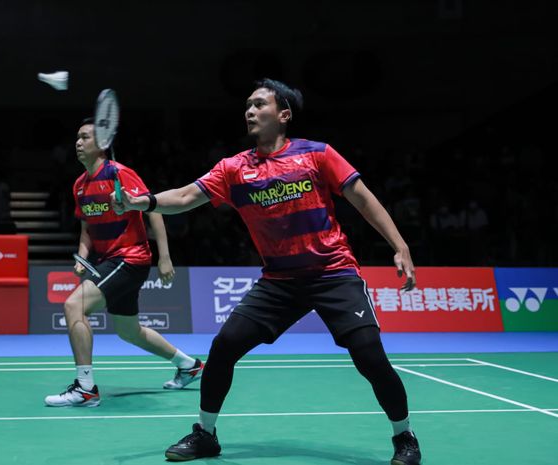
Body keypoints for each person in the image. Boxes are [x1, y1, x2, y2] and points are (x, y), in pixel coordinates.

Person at [112, 79, 422, 464]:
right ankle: (205, 434)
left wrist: (400, 245)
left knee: (370, 355)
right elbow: (187, 197)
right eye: (247, 105)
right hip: (280, 281)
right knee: (224, 347)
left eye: (259, 104)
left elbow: (362, 198)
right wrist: (144, 202)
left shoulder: (318, 155)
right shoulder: (235, 168)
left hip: (332, 271)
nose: (250, 111)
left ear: (284, 115)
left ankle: (404, 436)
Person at [44, 118, 204, 407]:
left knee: (74, 306)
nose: (78, 143)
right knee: (128, 331)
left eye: (85, 138)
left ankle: (85, 388)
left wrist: (165, 257)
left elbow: (152, 210)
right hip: (108, 260)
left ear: (102, 144)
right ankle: (189, 365)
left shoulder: (120, 174)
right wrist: (82, 255)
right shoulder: (79, 186)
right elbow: (86, 229)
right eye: (77, 138)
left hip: (130, 257)